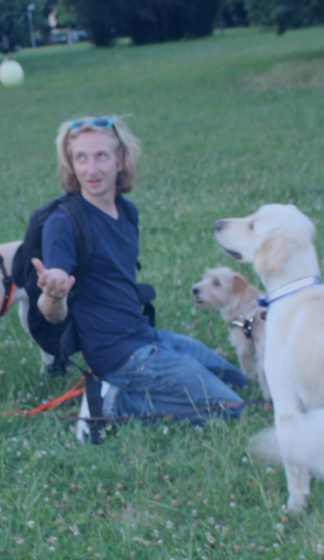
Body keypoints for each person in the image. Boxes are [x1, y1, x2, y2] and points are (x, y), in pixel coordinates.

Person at [32, 116, 247, 422]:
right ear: (71, 163)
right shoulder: (63, 222)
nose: (91, 169)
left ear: (120, 160)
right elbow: (52, 311)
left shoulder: (127, 211)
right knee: (232, 409)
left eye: (101, 156)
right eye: (81, 158)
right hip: (116, 354)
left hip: (146, 335)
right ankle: (110, 404)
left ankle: (138, 391)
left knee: (236, 380)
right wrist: (53, 294)